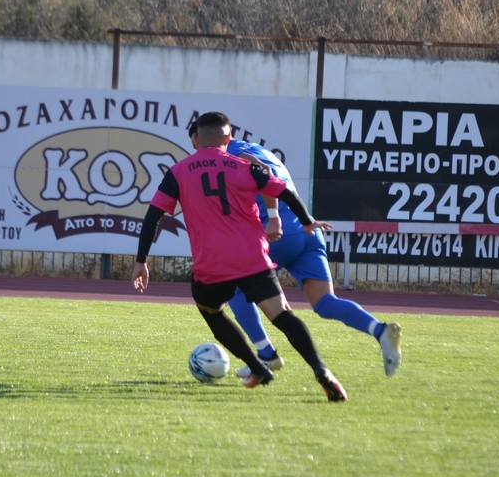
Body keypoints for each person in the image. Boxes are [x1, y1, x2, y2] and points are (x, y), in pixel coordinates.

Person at [132, 111, 348, 401]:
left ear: (196, 139)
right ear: (228, 138)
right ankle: (321, 370)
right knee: (282, 316)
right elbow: (284, 191)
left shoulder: (178, 172)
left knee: (212, 311)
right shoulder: (245, 166)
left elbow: (153, 216)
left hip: (212, 265)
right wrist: (306, 221)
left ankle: (258, 367)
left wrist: (141, 260)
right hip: (253, 260)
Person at [187, 122, 403, 380]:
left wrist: (273, 217)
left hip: (278, 233)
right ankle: (380, 330)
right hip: (307, 230)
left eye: (198, 141)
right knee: (325, 302)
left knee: (236, 289)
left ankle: (266, 354)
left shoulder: (230, 154)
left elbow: (263, 172)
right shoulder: (258, 149)